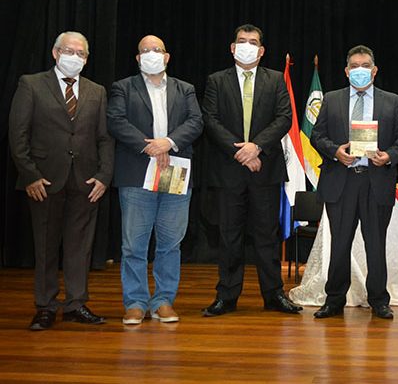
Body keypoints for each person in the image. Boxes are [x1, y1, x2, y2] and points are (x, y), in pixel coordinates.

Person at [8, 31, 114, 330]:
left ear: (87, 59)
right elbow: (18, 135)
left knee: (81, 247)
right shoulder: (31, 84)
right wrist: (30, 175)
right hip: (44, 181)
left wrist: (104, 176)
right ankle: (45, 306)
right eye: (70, 51)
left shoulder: (97, 91)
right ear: (56, 53)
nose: (75, 57)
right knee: (45, 246)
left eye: (81, 53)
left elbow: (105, 138)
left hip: (86, 182)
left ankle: (76, 304)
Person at [201, 24, 301, 316]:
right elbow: (211, 120)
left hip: (265, 169)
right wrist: (240, 152)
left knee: (267, 236)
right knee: (229, 236)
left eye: (252, 42)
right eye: (241, 41)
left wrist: (256, 147)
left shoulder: (275, 81)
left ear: (261, 50)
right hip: (229, 171)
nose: (246, 46)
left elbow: (284, 118)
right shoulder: (216, 81)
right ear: (232, 48)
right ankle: (227, 296)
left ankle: (273, 295)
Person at [107, 35, 203, 325]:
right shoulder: (123, 87)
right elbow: (115, 120)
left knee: (170, 242)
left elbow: (196, 121)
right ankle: (135, 302)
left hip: (175, 170)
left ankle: (163, 300)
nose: (151, 54)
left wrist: (168, 142)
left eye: (157, 50)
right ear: (138, 59)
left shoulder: (184, 88)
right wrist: (149, 145)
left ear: (167, 56)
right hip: (137, 172)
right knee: (133, 244)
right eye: (145, 51)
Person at [311, 45, 398, 319]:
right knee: (340, 244)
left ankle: (379, 300)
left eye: (365, 65)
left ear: (374, 70)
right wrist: (335, 152)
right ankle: (334, 299)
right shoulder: (331, 99)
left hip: (375, 181)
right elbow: (317, 136)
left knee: (375, 244)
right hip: (341, 181)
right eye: (354, 66)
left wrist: (389, 156)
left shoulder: (392, 101)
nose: (359, 70)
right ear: (346, 71)